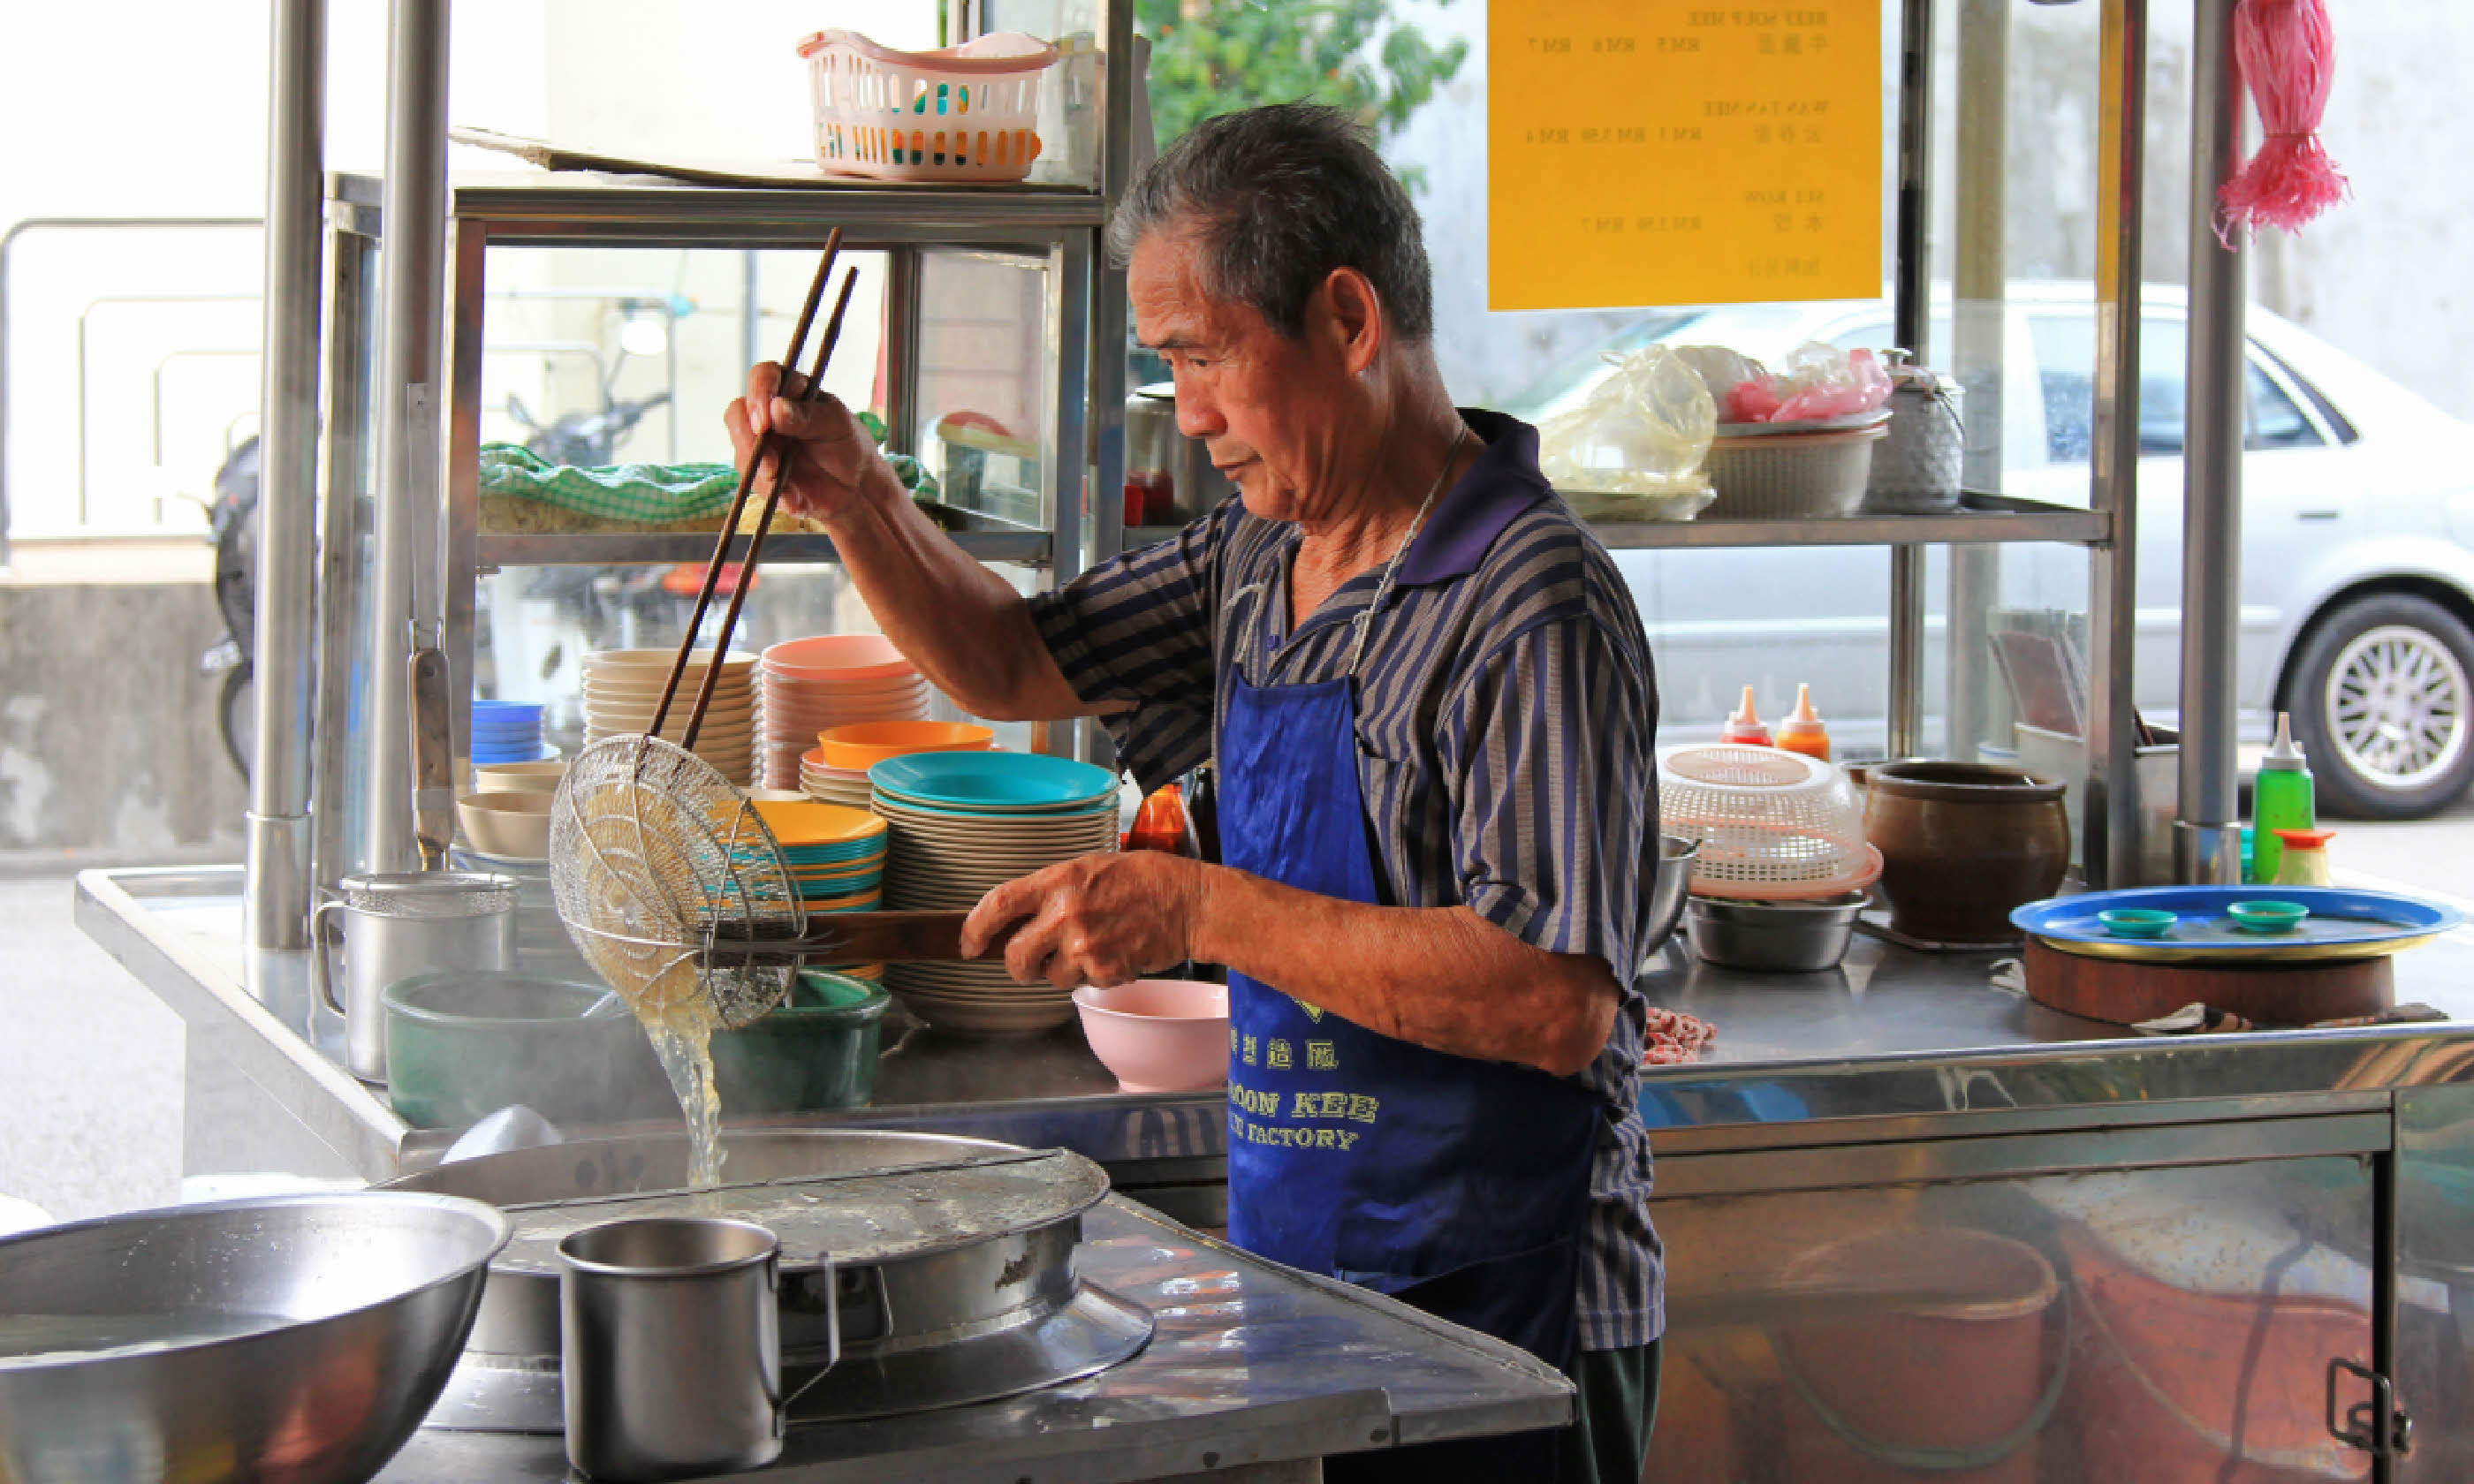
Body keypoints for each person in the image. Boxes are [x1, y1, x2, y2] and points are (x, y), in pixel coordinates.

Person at [726, 102, 1662, 1484]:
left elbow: (1553, 998)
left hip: (1517, 1310)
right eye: (1172, 364)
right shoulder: (1260, 555)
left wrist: (1199, 909)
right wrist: (859, 497)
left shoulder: (1528, 600)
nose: (1194, 412)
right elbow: (1013, 657)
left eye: (1206, 355)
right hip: (1317, 1263)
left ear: (1347, 320)